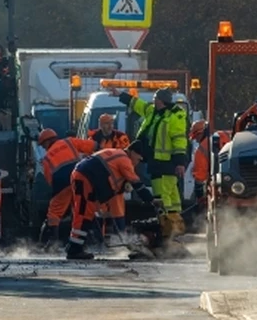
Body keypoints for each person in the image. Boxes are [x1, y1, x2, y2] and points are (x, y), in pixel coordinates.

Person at [111, 86, 188, 242]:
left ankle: (167, 234)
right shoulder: (153, 110)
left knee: (162, 198)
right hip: (157, 162)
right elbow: (137, 104)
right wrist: (121, 95)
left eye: (155, 99)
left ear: (160, 100)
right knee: (171, 199)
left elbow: (179, 140)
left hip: (165, 163)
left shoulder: (175, 116)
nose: (153, 102)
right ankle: (173, 233)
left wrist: (180, 162)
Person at [66, 142, 158, 260]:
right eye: (138, 159)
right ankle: (74, 250)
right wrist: (150, 200)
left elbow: (111, 176)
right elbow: (137, 184)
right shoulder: (124, 159)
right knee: (83, 215)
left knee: (84, 214)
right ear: (132, 152)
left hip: (83, 175)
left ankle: (73, 247)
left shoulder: (116, 154)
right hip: (87, 178)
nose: (137, 163)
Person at [36, 128, 97, 248]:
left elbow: (49, 179)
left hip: (61, 182)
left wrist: (57, 193)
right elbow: (93, 146)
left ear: (47, 142)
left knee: (54, 212)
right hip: (79, 177)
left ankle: (52, 242)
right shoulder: (69, 142)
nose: (44, 148)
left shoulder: (47, 158)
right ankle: (87, 239)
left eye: (44, 145)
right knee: (81, 210)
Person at [88, 114, 131, 243]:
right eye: (107, 123)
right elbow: (88, 158)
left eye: (111, 123)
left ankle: (122, 239)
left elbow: (127, 158)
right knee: (99, 211)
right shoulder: (93, 138)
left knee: (118, 210)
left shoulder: (121, 137)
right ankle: (98, 240)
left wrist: (128, 179)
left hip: (117, 179)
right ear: (100, 125)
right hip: (100, 179)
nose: (110, 126)